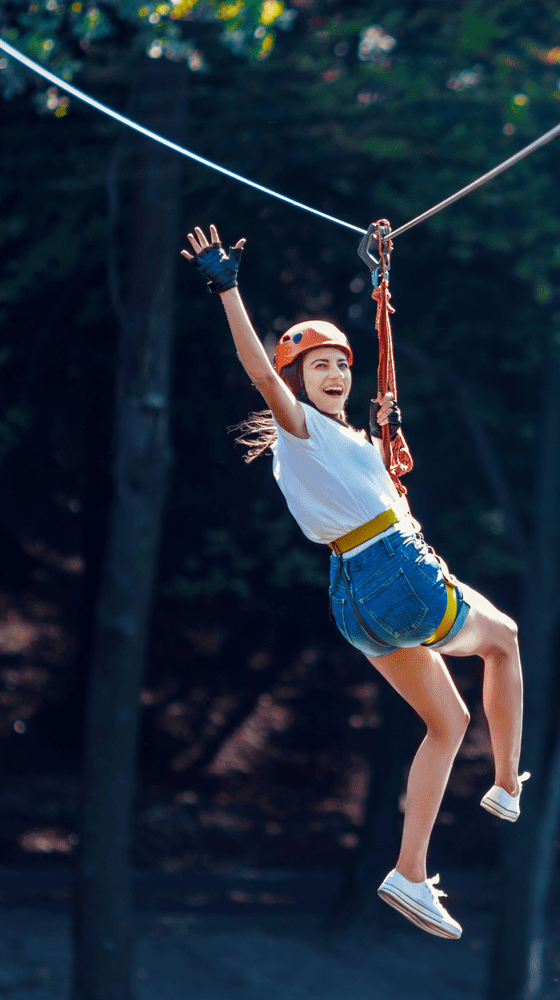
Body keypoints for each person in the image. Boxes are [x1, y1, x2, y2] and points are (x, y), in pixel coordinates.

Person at [181, 224, 528, 940]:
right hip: (393, 576)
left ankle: (408, 873)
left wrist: (387, 445)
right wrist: (229, 289)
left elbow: (379, 486)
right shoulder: (301, 429)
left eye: (341, 362)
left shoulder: (355, 443)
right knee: (506, 640)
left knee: (449, 721)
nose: (334, 373)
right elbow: (257, 370)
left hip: (353, 602)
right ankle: (505, 786)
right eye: (318, 367)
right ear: (300, 384)